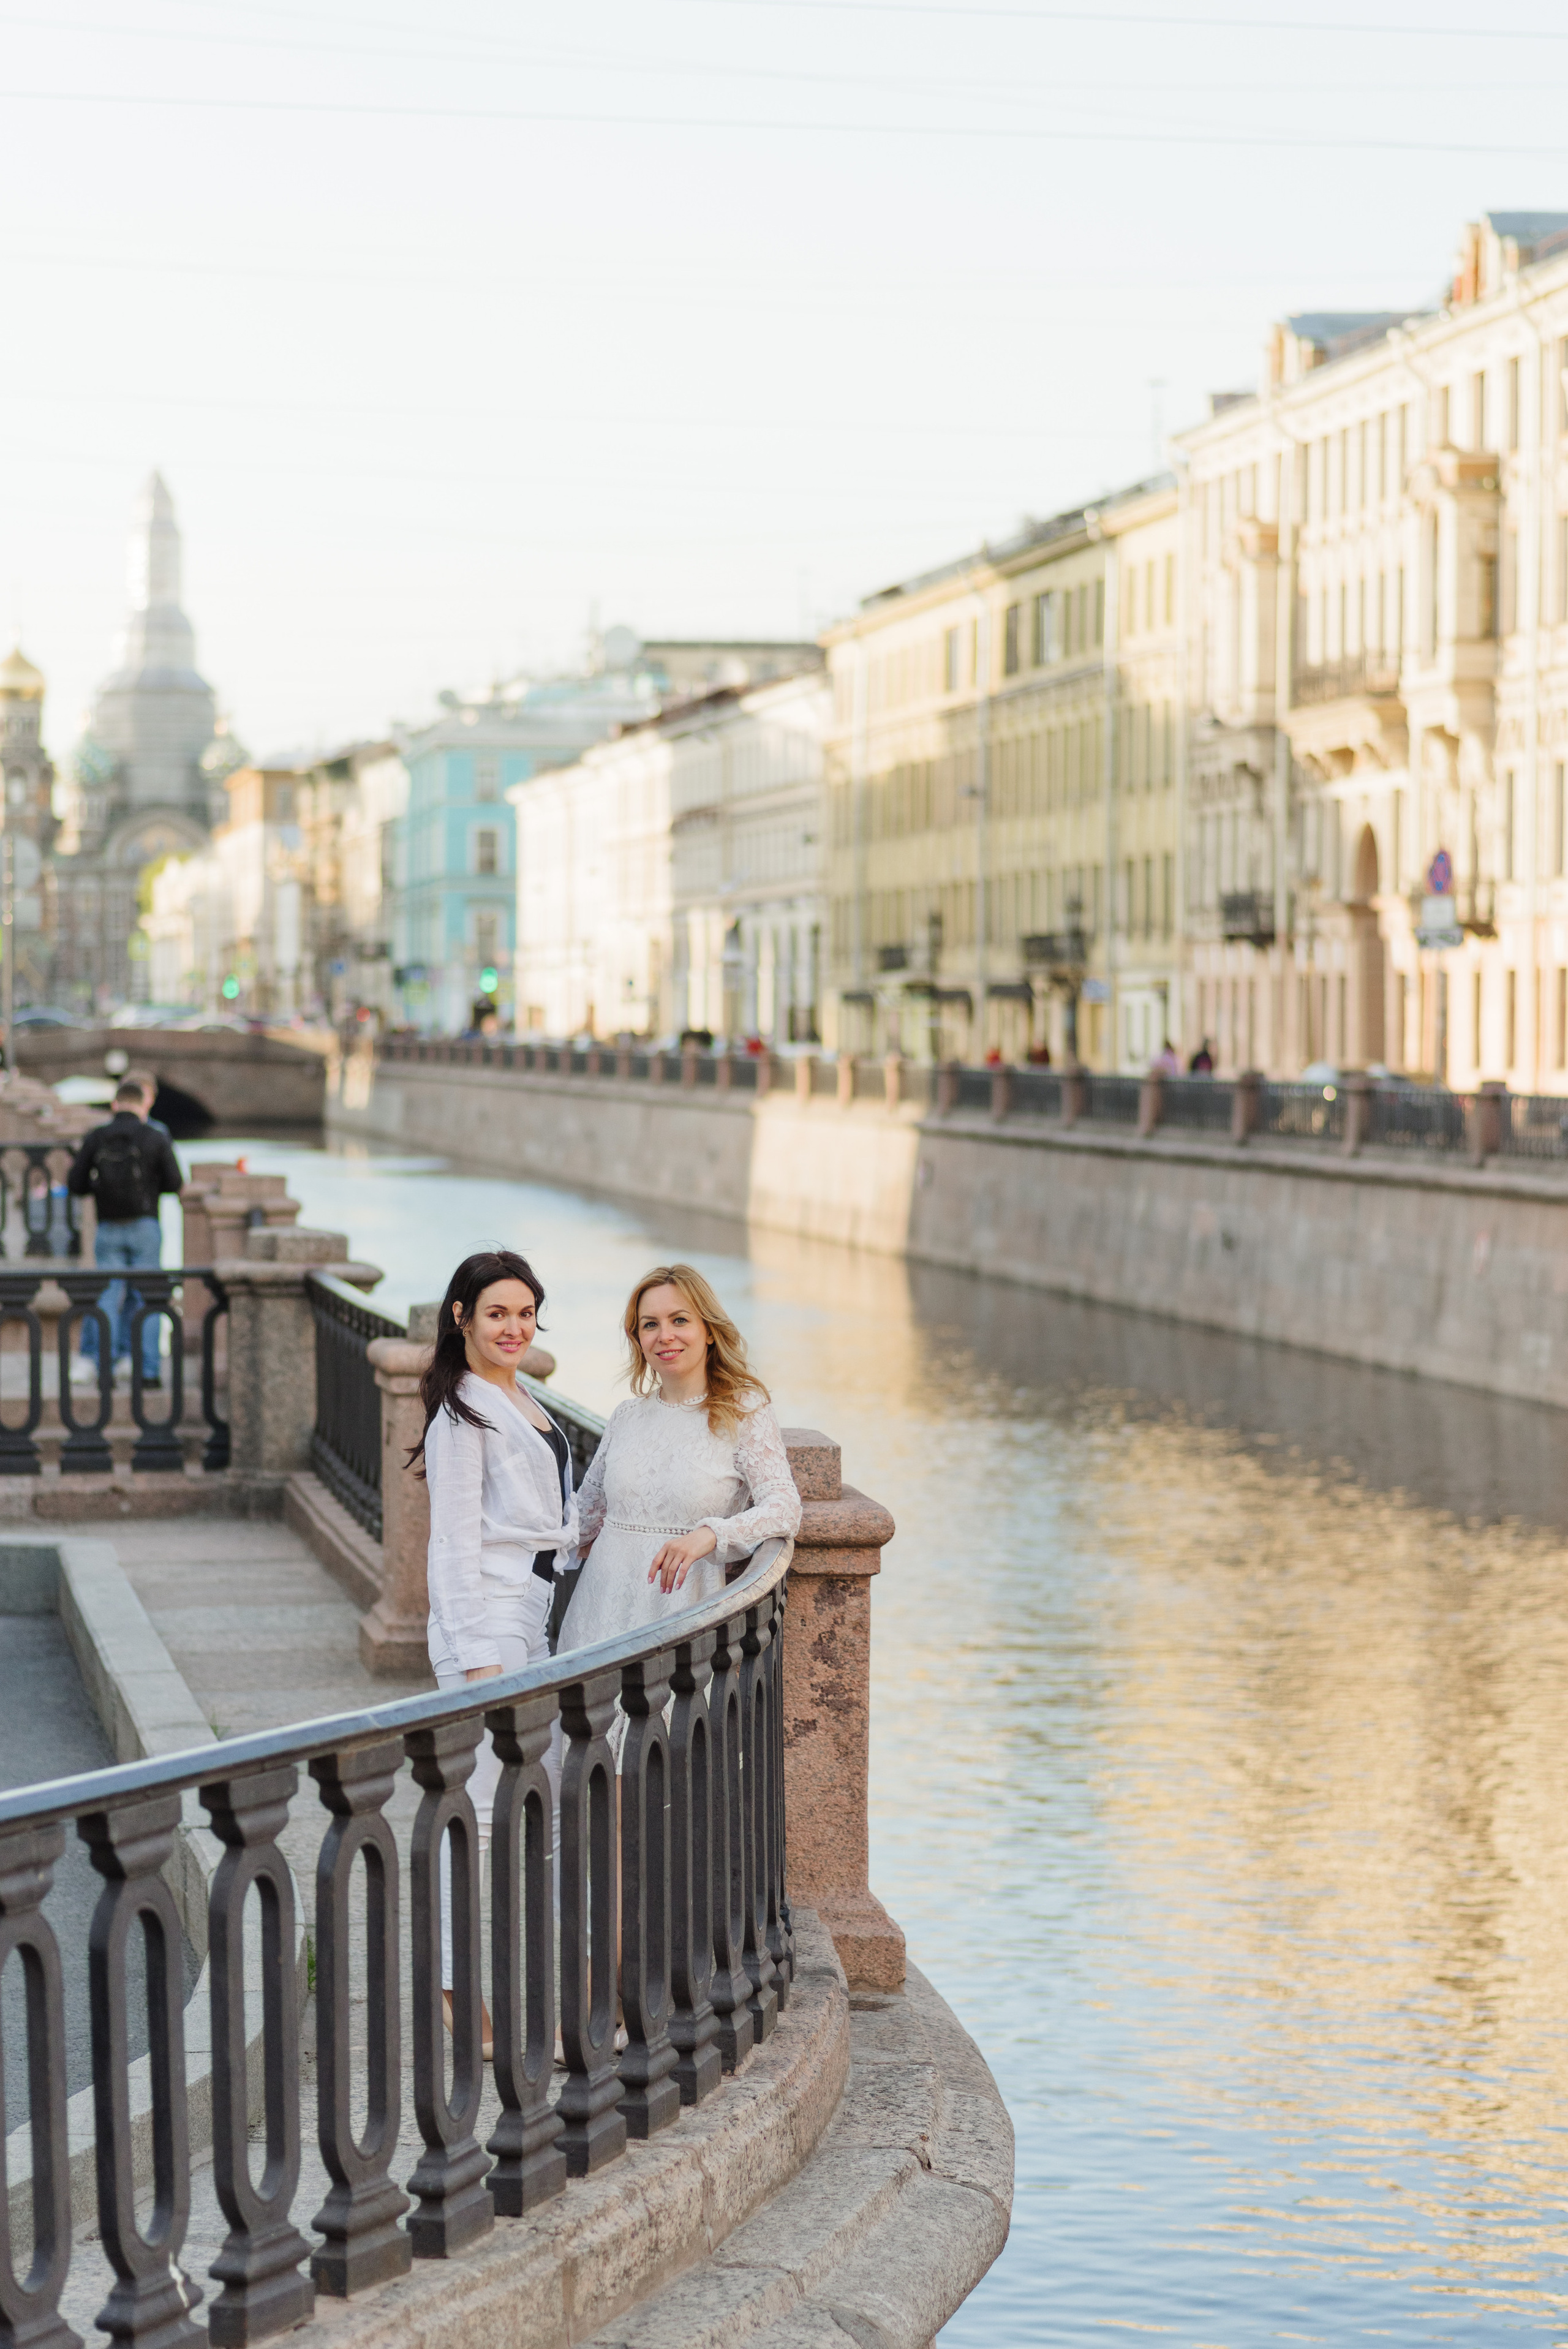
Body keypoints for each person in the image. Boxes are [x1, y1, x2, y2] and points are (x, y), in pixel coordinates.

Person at [412, 1247, 576, 2057]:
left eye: (524, 1312)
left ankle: (533, 1989)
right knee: (478, 1815)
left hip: (533, 1616)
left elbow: (549, 1519)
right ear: (462, 1317)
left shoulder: (523, 1397)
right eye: (497, 1312)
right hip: (488, 1624)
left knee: (532, 1807)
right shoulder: (462, 1414)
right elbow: (451, 1544)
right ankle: (450, 1986)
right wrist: (477, 1659)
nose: (514, 1326)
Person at [559, 1262, 801, 1682]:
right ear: (638, 1339)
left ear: (709, 1329)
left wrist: (710, 1534)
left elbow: (785, 1507)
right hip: (597, 1613)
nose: (664, 1335)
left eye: (680, 1320)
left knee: (662, 1742)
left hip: (680, 1617)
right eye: (649, 1324)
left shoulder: (745, 1411)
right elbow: (584, 1515)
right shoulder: (626, 1416)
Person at [67, 1079, 184, 1389]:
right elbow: (175, 1183)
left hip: (108, 1227)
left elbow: (76, 1183)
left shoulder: (97, 1137)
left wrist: (101, 1189)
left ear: (115, 1104)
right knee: (149, 1298)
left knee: (106, 1296)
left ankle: (103, 1368)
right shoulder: (155, 1136)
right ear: (142, 1104)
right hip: (146, 1226)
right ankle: (147, 1371)